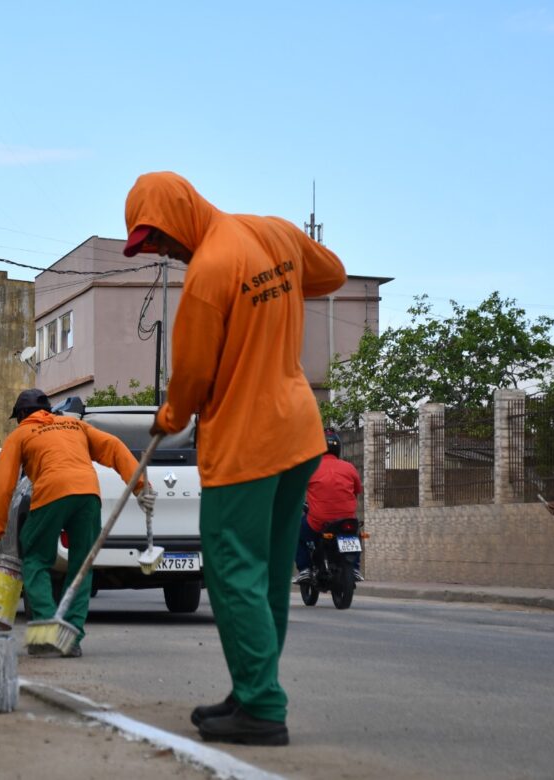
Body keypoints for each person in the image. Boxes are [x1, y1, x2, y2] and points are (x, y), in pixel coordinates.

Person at [124, 171, 346, 746]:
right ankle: (254, 688)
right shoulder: (274, 234)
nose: (164, 252)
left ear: (178, 216)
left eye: (160, 240)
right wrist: (275, 294)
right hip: (298, 433)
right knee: (268, 572)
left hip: (247, 445)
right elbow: (333, 274)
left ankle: (263, 706)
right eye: (151, 247)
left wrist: (169, 418)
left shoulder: (207, 274)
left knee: (229, 568)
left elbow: (192, 379)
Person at [0, 388, 155, 658]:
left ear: (22, 415)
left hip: (51, 492)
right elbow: (114, 447)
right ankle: (71, 637)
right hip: (88, 493)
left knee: (36, 559)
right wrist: (141, 486)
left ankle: (48, 630)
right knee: (82, 565)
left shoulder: (20, 435)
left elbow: (2, 486)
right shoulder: (76, 425)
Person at [293, 429, 364, 583]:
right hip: (346, 519)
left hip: (319, 522)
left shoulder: (311, 468)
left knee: (297, 532)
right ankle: (355, 569)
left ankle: (304, 569)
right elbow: (357, 491)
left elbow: (297, 491)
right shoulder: (349, 467)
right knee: (355, 533)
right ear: (338, 448)